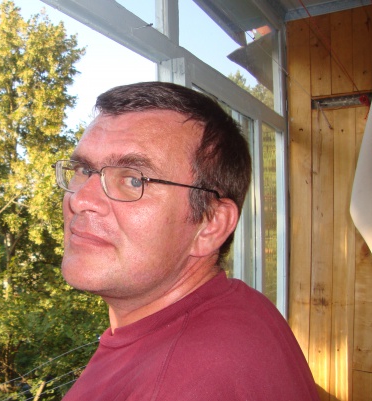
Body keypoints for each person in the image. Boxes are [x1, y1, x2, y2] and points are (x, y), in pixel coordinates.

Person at [53, 82, 320, 400]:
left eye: (134, 179)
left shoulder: (184, 383)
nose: (80, 199)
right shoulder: (238, 306)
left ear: (210, 224)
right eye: (84, 169)